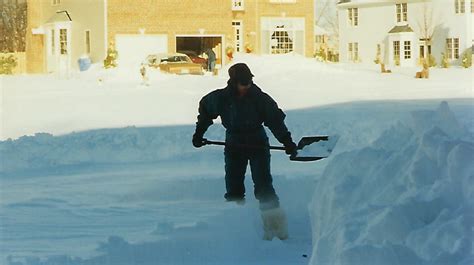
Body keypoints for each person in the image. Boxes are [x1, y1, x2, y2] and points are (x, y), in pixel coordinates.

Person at [192, 63, 297, 240]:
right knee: (233, 188)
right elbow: (205, 109)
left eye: (248, 82)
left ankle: (275, 228)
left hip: (257, 142)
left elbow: (275, 121)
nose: (246, 86)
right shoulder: (221, 98)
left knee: (263, 186)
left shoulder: (260, 98)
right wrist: (199, 133)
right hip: (234, 144)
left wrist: (287, 142)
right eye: (243, 83)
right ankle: (236, 230)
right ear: (233, 82)